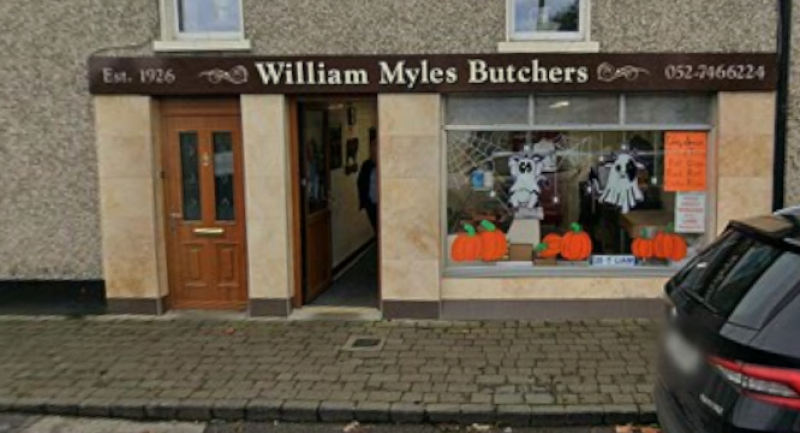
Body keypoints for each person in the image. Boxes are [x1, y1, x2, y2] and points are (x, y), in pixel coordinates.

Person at [357, 137, 378, 232]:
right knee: (377, 230)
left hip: (383, 205)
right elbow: (360, 182)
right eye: (371, 148)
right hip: (371, 205)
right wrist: (365, 201)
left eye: (375, 148)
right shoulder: (366, 165)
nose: (373, 151)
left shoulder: (385, 164)